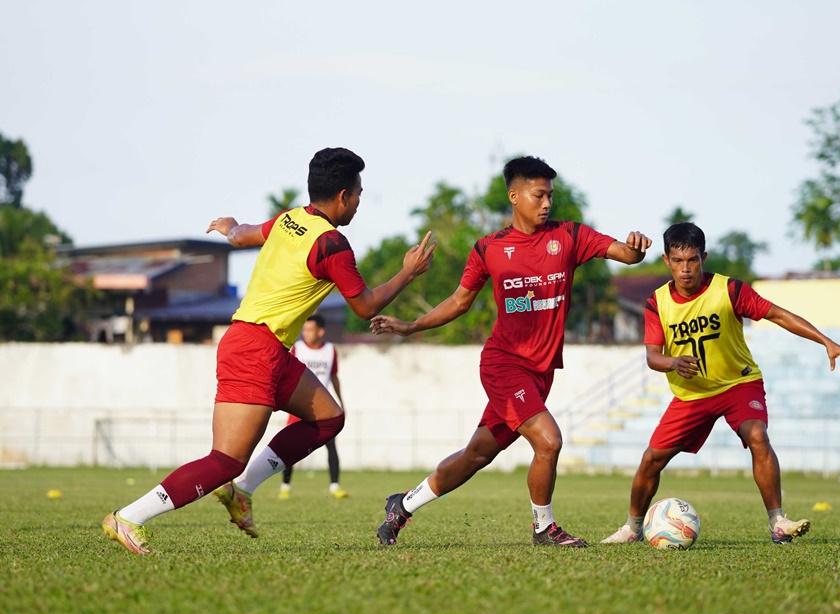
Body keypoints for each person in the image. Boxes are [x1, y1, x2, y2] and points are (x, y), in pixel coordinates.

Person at [101, 147, 435, 554]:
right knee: (224, 459)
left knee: (328, 419)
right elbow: (365, 306)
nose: (360, 203)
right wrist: (408, 272)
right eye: (360, 194)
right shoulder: (332, 244)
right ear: (344, 196)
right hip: (254, 348)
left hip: (271, 348)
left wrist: (229, 227)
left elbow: (243, 235)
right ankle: (129, 516)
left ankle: (242, 491)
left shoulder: (290, 219)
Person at [371, 156, 651, 547]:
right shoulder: (489, 248)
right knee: (549, 441)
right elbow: (459, 301)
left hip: (540, 372)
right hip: (504, 365)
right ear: (514, 196)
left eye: (550, 195)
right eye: (539, 195)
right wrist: (411, 326)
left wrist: (635, 249)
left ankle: (403, 505)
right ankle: (544, 528)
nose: (547, 203)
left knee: (476, 455)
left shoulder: (569, 236)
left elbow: (622, 253)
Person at [602, 222, 840, 545]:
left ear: (703, 257)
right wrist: (674, 362)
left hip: (738, 384)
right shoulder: (657, 302)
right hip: (692, 395)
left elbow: (776, 314)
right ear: (666, 261)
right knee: (651, 460)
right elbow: (652, 356)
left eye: (692, 260)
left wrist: (826, 341)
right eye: (678, 261)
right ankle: (632, 529)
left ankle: (778, 522)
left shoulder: (729, 290)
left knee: (758, 435)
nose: (686, 269)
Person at [277, 314, 348, 500]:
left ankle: (335, 486)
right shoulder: (297, 348)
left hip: (322, 407)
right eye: (305, 329)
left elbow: (333, 377)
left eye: (310, 329)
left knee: (331, 446)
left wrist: (340, 402)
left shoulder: (330, 350)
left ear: (321, 331)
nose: (306, 333)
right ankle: (285, 485)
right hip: (299, 404)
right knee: (290, 446)